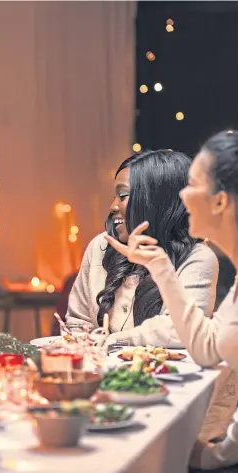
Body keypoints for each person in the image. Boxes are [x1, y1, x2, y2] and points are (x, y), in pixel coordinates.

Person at [106, 130, 238, 470]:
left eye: (191, 185)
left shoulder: (203, 257)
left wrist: (217, 455)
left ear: (220, 201)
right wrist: (162, 268)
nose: (181, 196)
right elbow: (207, 348)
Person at [65, 150, 219, 347]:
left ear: (156, 201)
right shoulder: (101, 246)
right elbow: (78, 323)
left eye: (123, 195)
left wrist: (111, 341)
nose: (113, 206)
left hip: (166, 376)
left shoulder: (197, 258)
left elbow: (181, 331)